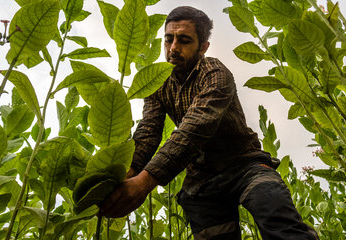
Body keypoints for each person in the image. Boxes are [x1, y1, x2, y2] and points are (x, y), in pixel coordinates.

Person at [100, 6, 319, 240]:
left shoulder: (215, 73)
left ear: (203, 47)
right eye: (168, 39)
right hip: (202, 181)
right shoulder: (159, 83)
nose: (173, 48)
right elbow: (148, 132)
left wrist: (144, 182)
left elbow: (195, 128)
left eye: (184, 40)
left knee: (277, 215)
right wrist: (128, 174)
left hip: (245, 166)